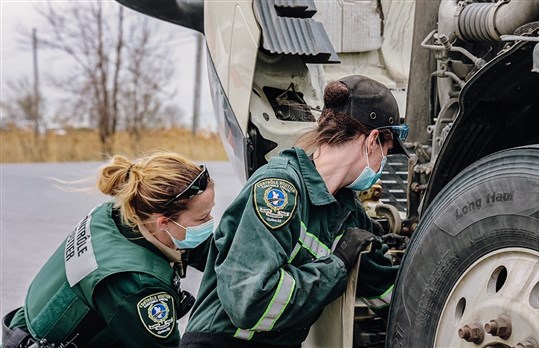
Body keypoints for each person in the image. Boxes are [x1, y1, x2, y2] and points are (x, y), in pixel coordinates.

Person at [180, 75, 409, 348]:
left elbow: (388, 294)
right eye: (387, 151)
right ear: (372, 141)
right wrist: (335, 266)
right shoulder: (277, 192)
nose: (382, 163)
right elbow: (251, 304)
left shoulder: (348, 213)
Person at [2, 152, 216, 348]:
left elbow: (204, 250)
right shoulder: (138, 284)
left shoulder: (123, 213)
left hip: (23, 330)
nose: (210, 221)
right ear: (163, 223)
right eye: (202, 217)